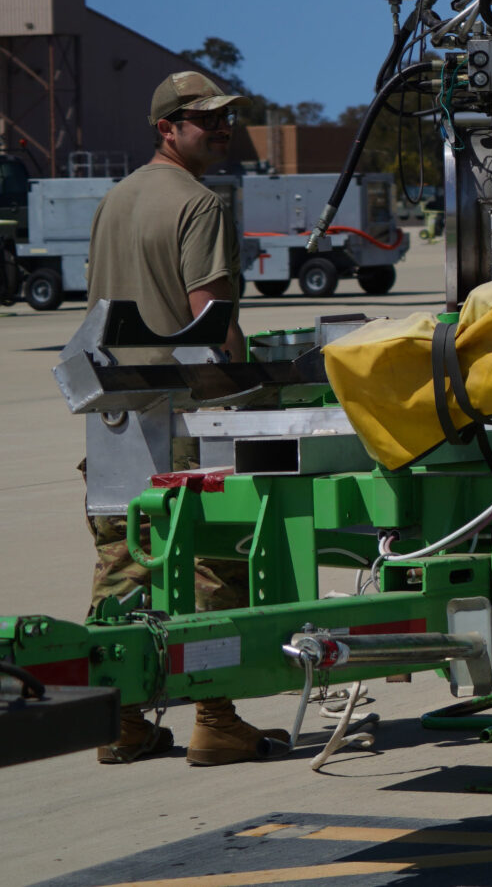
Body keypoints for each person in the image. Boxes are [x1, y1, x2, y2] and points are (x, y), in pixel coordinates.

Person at [83, 71, 288, 765]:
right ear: (167, 129)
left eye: (227, 118)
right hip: (187, 415)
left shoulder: (115, 200)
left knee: (125, 571)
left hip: (115, 417)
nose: (222, 129)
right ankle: (215, 718)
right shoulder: (199, 203)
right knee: (210, 571)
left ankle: (121, 718)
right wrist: (251, 396)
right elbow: (211, 318)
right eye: (205, 121)